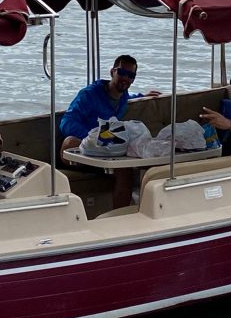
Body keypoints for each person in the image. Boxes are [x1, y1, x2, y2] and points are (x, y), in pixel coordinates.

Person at [59, 55, 159, 208]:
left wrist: (143, 97)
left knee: (126, 170)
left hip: (108, 153)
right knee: (69, 142)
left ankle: (121, 218)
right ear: (112, 71)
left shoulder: (124, 97)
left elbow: (127, 96)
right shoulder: (89, 95)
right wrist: (94, 138)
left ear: (133, 79)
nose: (125, 78)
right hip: (84, 152)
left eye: (130, 75)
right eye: (122, 73)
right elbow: (66, 122)